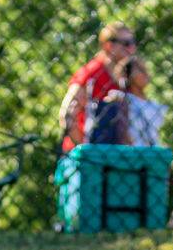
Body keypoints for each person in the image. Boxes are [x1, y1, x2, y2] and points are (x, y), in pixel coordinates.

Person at [58, 22, 137, 153]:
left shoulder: (124, 78)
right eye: (127, 43)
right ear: (109, 45)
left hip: (112, 155)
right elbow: (67, 114)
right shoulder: (91, 73)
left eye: (134, 43)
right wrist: (84, 149)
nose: (132, 48)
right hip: (84, 156)